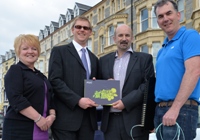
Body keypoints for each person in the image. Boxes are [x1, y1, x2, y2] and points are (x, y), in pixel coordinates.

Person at [99, 24, 155, 140]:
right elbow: (97, 85)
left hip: (134, 122)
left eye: (127, 35)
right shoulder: (103, 61)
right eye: (120, 35)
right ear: (114, 39)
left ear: (132, 38)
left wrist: (125, 102)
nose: (124, 38)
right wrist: (102, 85)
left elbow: (147, 86)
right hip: (110, 123)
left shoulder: (144, 59)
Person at [153, 0, 200, 139]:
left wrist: (175, 109)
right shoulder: (162, 50)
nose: (165, 19)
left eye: (169, 13)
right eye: (160, 16)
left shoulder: (189, 36)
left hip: (181, 111)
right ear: (157, 21)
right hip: (161, 111)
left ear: (178, 15)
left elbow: (194, 71)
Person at [48, 16, 99, 140]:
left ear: (90, 32)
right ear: (72, 30)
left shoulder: (94, 58)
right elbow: (55, 81)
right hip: (66, 120)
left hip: (88, 121)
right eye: (78, 27)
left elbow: (96, 82)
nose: (82, 30)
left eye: (86, 28)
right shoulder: (59, 51)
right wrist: (77, 100)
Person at [3, 34, 56, 140]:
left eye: (34, 48)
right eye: (25, 48)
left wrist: (52, 116)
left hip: (42, 127)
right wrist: (38, 118)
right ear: (18, 52)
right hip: (20, 128)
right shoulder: (15, 70)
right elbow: (16, 99)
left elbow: (51, 98)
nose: (30, 52)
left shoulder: (41, 75)